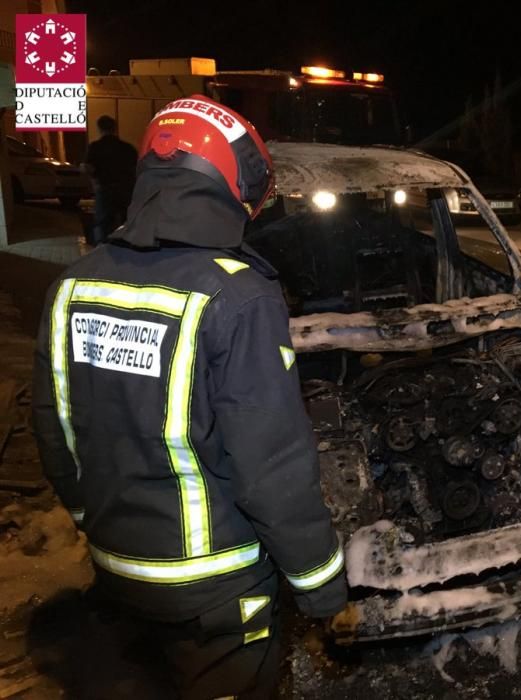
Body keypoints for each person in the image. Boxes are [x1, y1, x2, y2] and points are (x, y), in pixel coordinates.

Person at [32, 95, 348, 698]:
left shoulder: (73, 284)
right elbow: (272, 471)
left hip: (117, 573)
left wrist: (93, 517)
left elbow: (56, 430)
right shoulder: (238, 296)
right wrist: (323, 587)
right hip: (217, 597)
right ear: (233, 185)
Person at [83, 114, 138, 244]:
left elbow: (88, 167)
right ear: (115, 128)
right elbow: (136, 168)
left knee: (103, 223)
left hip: (105, 189)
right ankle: (126, 246)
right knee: (127, 221)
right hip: (126, 190)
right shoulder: (127, 148)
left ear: (100, 128)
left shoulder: (96, 146)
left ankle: (105, 250)